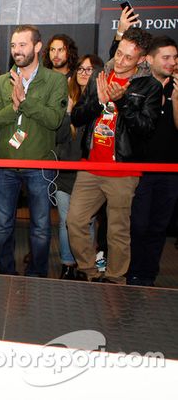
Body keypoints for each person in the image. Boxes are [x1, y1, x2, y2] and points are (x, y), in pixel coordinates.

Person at [68, 27, 161, 284]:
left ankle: (115, 280)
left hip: (123, 170)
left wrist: (121, 102)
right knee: (74, 221)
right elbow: (76, 116)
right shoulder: (99, 75)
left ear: (141, 59)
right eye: (119, 53)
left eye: (128, 57)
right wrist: (98, 102)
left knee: (118, 231)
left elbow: (145, 130)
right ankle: (90, 272)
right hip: (90, 166)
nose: (120, 61)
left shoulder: (149, 86)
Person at [0, 25, 67, 277]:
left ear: (38, 47)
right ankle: (6, 272)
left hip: (39, 165)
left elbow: (54, 119)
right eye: (13, 46)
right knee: (2, 225)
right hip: (5, 166)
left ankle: (37, 276)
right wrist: (14, 104)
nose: (16, 50)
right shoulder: (0, 82)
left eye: (22, 45)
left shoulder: (55, 81)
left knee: (41, 227)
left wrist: (26, 101)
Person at [127, 36, 178, 286]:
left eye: (175, 57)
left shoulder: (176, 88)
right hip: (140, 169)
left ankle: (148, 275)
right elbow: (134, 128)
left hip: (170, 171)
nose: (172, 62)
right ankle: (133, 273)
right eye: (166, 57)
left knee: (159, 227)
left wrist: (176, 100)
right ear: (149, 59)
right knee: (137, 226)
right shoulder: (138, 86)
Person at [54, 54, 104, 279]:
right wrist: (67, 112)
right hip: (66, 171)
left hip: (92, 172)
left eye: (89, 70)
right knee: (66, 221)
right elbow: (60, 136)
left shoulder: (104, 102)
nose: (84, 73)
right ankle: (67, 264)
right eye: (81, 69)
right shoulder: (66, 98)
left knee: (86, 222)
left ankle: (85, 265)